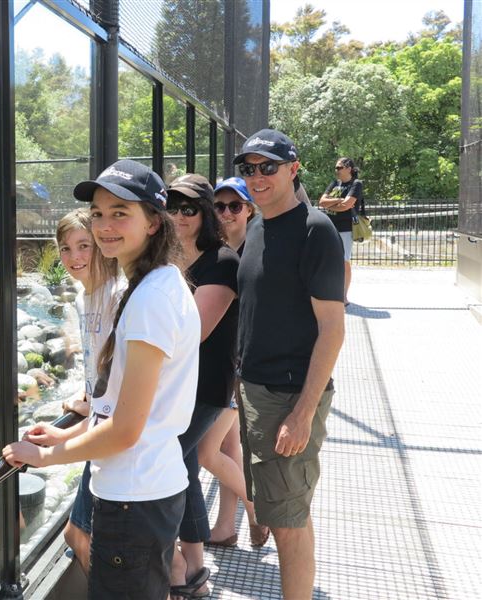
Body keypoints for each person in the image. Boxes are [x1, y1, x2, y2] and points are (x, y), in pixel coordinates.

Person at [2, 159, 200, 599]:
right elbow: (124, 406)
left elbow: (127, 430)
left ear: (153, 222)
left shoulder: (149, 299)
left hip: (134, 495)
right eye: (97, 213)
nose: (104, 225)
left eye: (120, 213)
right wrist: (62, 437)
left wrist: (43, 457)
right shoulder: (160, 283)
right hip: (148, 487)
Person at [235, 129, 345, 599]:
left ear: (293, 169)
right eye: (249, 168)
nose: (257, 177)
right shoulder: (257, 225)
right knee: (277, 514)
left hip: (288, 396)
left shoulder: (315, 230)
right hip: (253, 389)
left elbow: (332, 329)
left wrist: (302, 413)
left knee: (291, 526)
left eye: (268, 167)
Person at [163, 174, 238, 599]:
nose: (178, 216)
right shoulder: (167, 258)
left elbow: (192, 333)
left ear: (206, 214)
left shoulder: (222, 262)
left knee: (167, 459)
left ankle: (176, 562)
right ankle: (194, 569)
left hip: (205, 388)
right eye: (170, 207)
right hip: (174, 386)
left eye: (188, 208)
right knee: (185, 467)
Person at [54, 208, 123, 576]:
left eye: (84, 246)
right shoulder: (85, 299)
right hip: (99, 422)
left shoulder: (119, 295)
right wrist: (88, 399)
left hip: (114, 435)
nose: (74, 257)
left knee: (79, 535)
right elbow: (101, 363)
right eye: (65, 248)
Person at [201, 177, 268, 549]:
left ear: (249, 210)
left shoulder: (257, 253)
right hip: (223, 364)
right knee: (228, 449)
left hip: (238, 368)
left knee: (204, 452)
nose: (226, 213)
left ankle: (256, 508)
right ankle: (226, 527)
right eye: (219, 206)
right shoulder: (214, 251)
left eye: (234, 206)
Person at [318, 157, 364, 303]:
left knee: (344, 261)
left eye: (339, 168)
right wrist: (339, 201)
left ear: (348, 168)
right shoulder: (334, 183)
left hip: (346, 228)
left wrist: (333, 204)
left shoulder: (356, 184)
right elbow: (322, 202)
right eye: (336, 168)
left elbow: (347, 205)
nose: (336, 170)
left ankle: (343, 296)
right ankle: (330, 292)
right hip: (330, 227)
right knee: (329, 261)